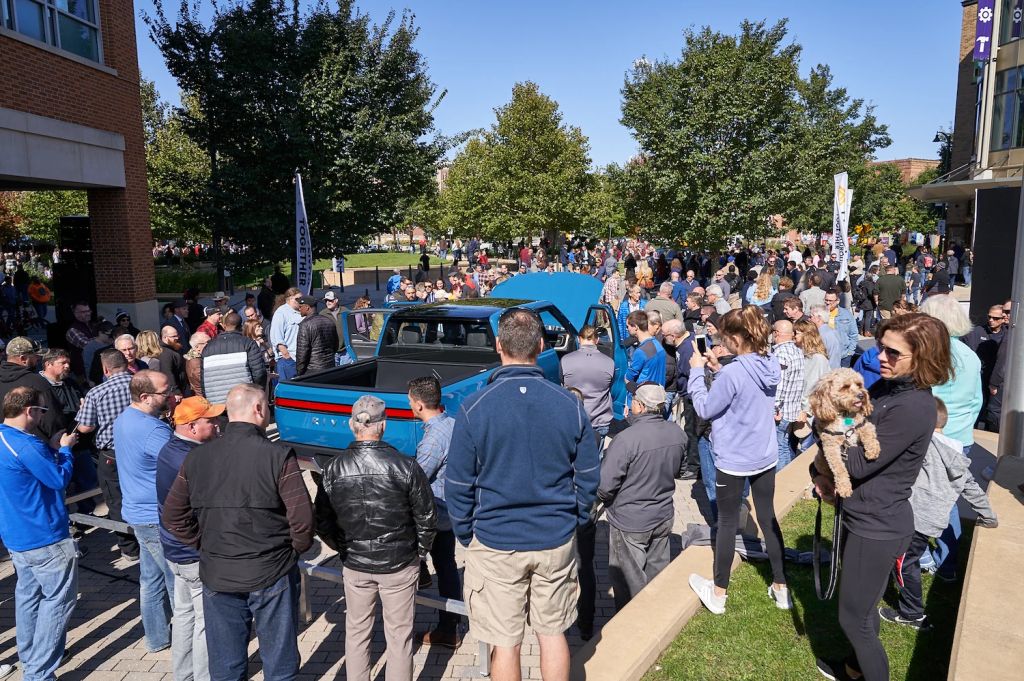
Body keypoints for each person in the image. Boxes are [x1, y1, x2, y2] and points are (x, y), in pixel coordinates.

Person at [446, 308, 599, 681]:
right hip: (553, 538)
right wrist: (574, 520)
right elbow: (589, 478)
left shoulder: (474, 408)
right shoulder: (569, 405)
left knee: (505, 641)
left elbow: (458, 486)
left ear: (498, 346)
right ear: (542, 346)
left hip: (497, 542)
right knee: (552, 633)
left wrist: (467, 534)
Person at [812, 313, 951, 681]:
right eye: (880, 348)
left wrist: (828, 434)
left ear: (922, 357)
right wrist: (819, 468)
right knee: (865, 603)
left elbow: (856, 463)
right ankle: (853, 668)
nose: (880, 358)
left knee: (852, 618)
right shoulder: (890, 389)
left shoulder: (913, 407)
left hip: (878, 525)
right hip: (861, 515)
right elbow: (842, 424)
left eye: (892, 352)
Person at [163, 383, 314, 681]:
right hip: (271, 570)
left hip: (219, 571)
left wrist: (204, 544)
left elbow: (172, 515)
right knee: (280, 664)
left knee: (226, 666)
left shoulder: (195, 458)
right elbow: (303, 519)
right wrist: (293, 549)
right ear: (259, 410)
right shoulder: (279, 456)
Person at [314, 395, 436, 680]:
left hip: (356, 564)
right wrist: (418, 553)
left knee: (357, 633)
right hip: (399, 564)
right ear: (383, 426)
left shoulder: (333, 468)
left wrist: (344, 549)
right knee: (400, 637)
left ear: (351, 425)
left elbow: (322, 521)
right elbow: (427, 518)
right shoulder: (405, 465)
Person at [687, 307, 790, 615]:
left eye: (722, 336)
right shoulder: (769, 363)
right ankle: (781, 587)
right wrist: (719, 371)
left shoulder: (734, 372)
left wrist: (696, 371)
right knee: (768, 518)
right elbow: (745, 391)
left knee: (727, 523)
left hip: (734, 458)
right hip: (764, 454)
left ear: (733, 338)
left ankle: (718, 593)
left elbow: (705, 408)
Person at [882, 397, 997, 632]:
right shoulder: (954, 451)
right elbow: (971, 487)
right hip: (931, 521)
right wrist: (988, 515)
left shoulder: (924, 446)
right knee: (900, 558)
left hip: (913, 519)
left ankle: (912, 614)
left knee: (904, 564)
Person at [0, 387, 79, 681]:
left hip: (16, 535)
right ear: (30, 411)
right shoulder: (27, 445)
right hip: (45, 537)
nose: (43, 417)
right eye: (42, 411)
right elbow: (58, 478)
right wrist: (66, 450)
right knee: (57, 603)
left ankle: (30, 655)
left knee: (28, 597)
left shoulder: (4, 437)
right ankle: (39, 671)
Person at [598, 382, 684, 611]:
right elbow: (679, 470)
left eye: (633, 401)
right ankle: (656, 616)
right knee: (657, 574)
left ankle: (633, 624)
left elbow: (605, 485)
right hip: (663, 515)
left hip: (630, 520)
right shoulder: (677, 433)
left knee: (629, 581)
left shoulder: (626, 439)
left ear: (640, 406)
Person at [156, 396, 224, 681]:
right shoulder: (193, 459)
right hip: (193, 553)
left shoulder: (169, 449)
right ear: (192, 427)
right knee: (205, 621)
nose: (219, 424)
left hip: (174, 549)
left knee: (184, 615)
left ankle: (183, 675)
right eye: (211, 420)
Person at [917, 294, 982, 582]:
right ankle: (947, 560)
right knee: (948, 501)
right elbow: (976, 401)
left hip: (935, 437)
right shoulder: (970, 355)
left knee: (930, 501)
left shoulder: (933, 354)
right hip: (962, 436)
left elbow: (922, 398)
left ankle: (940, 560)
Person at [113, 370, 174, 653]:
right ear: (146, 396)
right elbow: (179, 463)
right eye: (165, 392)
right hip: (156, 515)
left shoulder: (125, 418)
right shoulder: (154, 430)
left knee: (151, 579)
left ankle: (157, 638)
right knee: (176, 581)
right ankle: (190, 641)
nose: (171, 395)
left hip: (137, 511)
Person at [403, 377, 461, 648]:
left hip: (437, 514)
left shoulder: (434, 439)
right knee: (447, 565)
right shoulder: (453, 423)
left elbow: (417, 480)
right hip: (451, 510)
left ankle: (448, 627)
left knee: (444, 568)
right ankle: (450, 624)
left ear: (417, 404)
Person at [0, 337, 63, 442]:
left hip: (5, 448)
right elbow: (52, 420)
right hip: (37, 448)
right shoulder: (37, 382)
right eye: (35, 356)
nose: (38, 359)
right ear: (23, 358)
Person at [560, 325, 615, 438]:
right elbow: (610, 386)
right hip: (600, 420)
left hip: (574, 418)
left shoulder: (565, 360)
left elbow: (562, 384)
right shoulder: (609, 362)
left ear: (579, 339)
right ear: (597, 340)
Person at [201, 311, 267, 404]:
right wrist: (256, 393)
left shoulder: (208, 348)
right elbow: (259, 372)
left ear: (224, 326)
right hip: (243, 400)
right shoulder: (248, 343)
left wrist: (208, 398)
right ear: (241, 326)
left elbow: (203, 379)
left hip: (216, 403)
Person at [771, 319, 804, 470]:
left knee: (779, 447)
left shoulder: (780, 353)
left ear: (776, 333)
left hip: (781, 411)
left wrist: (775, 408)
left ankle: (781, 479)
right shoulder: (797, 350)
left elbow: (780, 385)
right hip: (792, 407)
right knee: (783, 444)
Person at [295, 295, 338, 376]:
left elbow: (302, 353)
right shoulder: (329, 321)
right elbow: (335, 346)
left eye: (301, 306)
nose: (299, 309)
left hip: (312, 370)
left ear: (307, 307)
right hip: (330, 367)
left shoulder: (305, 325)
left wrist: (299, 373)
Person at [625, 310, 666, 395]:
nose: (627, 329)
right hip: (658, 395)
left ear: (635, 327)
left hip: (644, 398)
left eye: (627, 326)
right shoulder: (658, 345)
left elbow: (629, 378)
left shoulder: (641, 352)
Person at [269, 287, 303, 381]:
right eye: (298, 299)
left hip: (301, 359)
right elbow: (277, 338)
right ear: (290, 299)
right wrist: (287, 356)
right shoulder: (281, 313)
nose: (301, 301)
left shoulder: (301, 311)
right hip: (289, 360)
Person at [824, 290, 859, 367]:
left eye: (830, 301)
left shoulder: (846, 314)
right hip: (825, 356)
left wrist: (850, 352)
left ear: (837, 301)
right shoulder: (820, 314)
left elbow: (854, 334)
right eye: (826, 300)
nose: (828, 302)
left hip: (844, 355)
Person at [158, 326, 190, 396]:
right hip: (175, 393)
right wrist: (176, 391)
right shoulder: (165, 353)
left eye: (177, 335)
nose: (177, 338)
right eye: (173, 336)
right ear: (165, 337)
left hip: (182, 388)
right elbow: (167, 373)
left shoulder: (174, 348)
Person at [809, 305, 843, 369]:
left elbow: (834, 358)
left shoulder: (826, 334)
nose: (809, 319)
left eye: (811, 316)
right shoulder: (825, 331)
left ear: (819, 318)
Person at [184, 332, 209, 398]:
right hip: (204, 398)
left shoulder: (195, 357)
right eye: (208, 342)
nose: (211, 345)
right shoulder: (195, 362)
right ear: (197, 347)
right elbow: (204, 380)